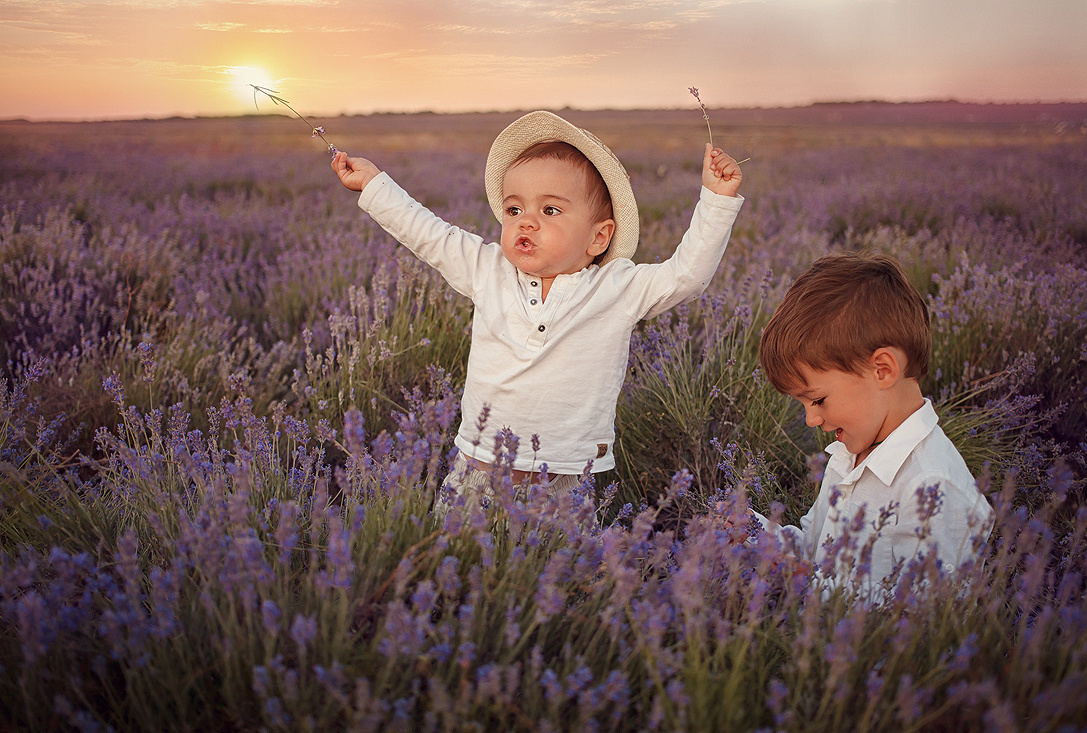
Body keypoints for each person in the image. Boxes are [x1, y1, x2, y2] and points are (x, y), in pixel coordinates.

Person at [332, 110, 744, 508]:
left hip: (563, 476)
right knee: (458, 560)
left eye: (550, 210)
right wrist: (374, 186)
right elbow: (429, 234)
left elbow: (686, 276)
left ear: (598, 238)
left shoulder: (617, 288)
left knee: (556, 569)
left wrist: (716, 200)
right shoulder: (487, 269)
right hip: (480, 466)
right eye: (514, 210)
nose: (526, 222)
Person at [754, 252, 993, 596]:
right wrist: (755, 534)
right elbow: (815, 549)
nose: (811, 419)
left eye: (818, 400)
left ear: (883, 370)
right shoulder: (847, 454)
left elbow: (925, 617)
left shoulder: (931, 485)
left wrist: (800, 579)